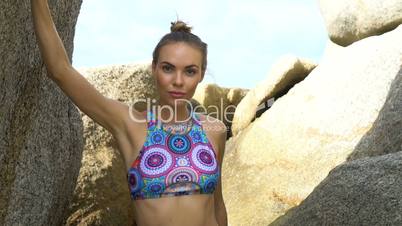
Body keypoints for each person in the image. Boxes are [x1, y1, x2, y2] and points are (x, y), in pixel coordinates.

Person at [31, 1, 228, 226]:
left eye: (190, 71)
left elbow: (218, 207)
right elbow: (59, 70)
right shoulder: (131, 124)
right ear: (153, 69)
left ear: (202, 74)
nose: (178, 81)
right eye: (168, 68)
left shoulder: (214, 131)